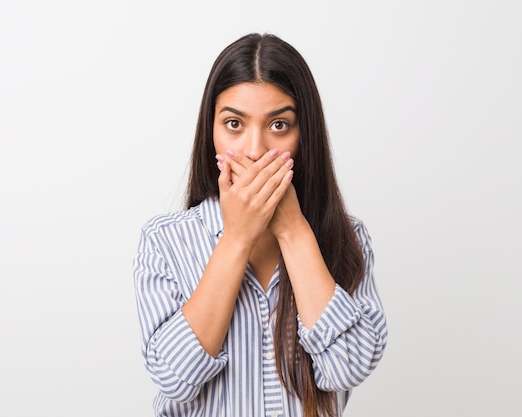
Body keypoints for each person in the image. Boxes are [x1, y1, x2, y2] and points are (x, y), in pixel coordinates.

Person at [133, 33, 387, 417]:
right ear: (211, 133)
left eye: (279, 125)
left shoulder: (348, 238)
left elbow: (347, 368)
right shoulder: (166, 241)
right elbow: (172, 377)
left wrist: (293, 230)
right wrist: (236, 239)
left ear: (305, 136)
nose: (255, 150)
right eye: (234, 123)